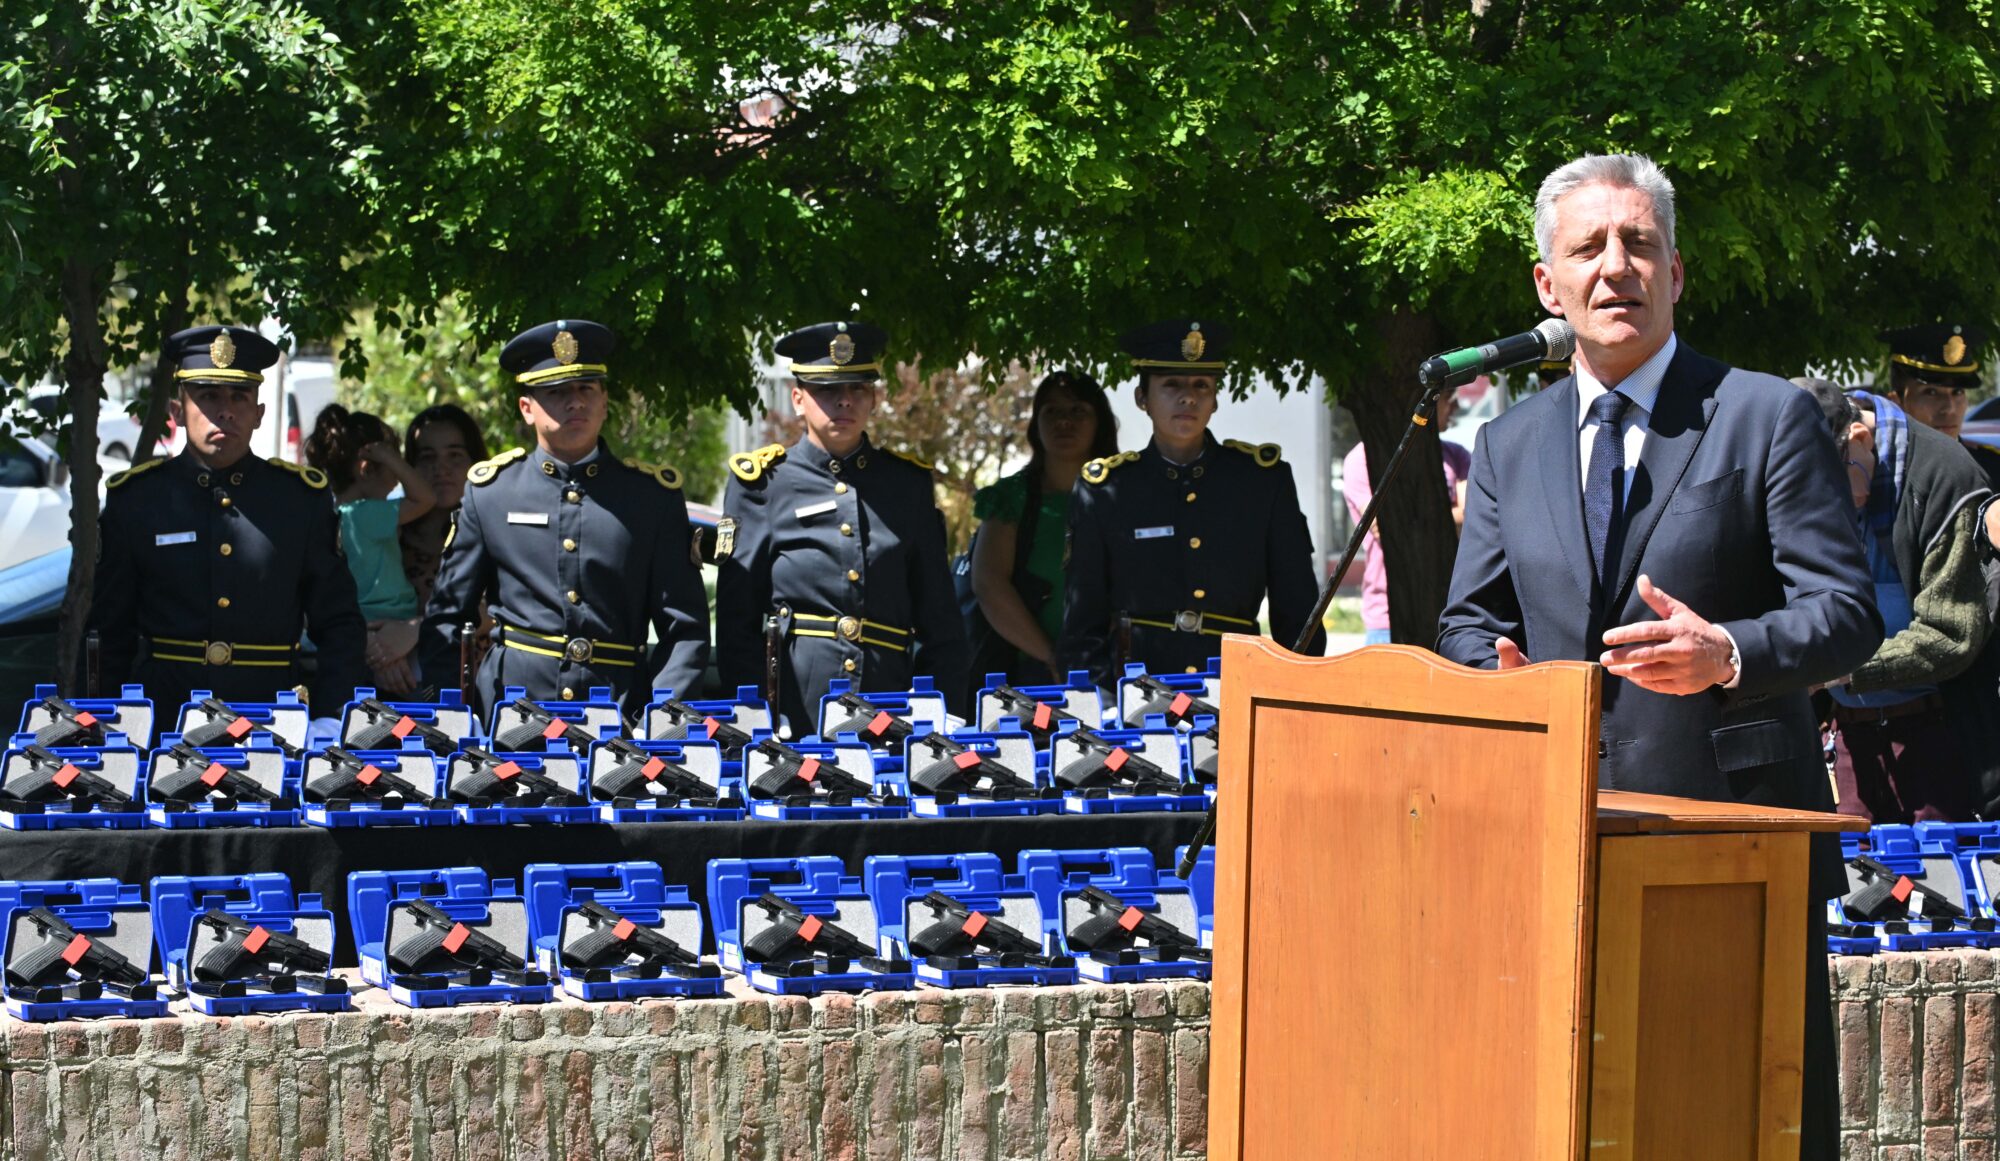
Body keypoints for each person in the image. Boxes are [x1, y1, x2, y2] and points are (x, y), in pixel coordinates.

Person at [1434, 154, 1880, 1161]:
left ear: (1675, 273)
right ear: (1546, 284)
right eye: (1587, 247)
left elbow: (1846, 614)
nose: (1615, 266)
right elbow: (1465, 620)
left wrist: (1728, 650)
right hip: (1560, 838)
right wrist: (1495, 676)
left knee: (1743, 1121)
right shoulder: (1509, 445)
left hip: (1736, 845)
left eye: (1639, 243)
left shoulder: (1762, 415)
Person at [417, 319, 708, 715]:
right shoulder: (491, 494)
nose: (575, 402)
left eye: (586, 389)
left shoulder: (652, 498)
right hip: (512, 716)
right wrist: (448, 715)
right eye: (556, 392)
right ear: (527, 409)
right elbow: (447, 619)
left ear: (604, 402)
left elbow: (685, 628)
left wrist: (661, 718)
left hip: (620, 717)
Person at [90, 325, 368, 719]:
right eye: (208, 396)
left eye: (240, 396)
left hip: (273, 720)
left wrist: (332, 717)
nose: (225, 411)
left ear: (258, 414)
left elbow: (338, 623)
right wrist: (103, 721)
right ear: (177, 412)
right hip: (165, 717)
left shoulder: (299, 501)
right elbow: (108, 634)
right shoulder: (138, 500)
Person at [714, 321, 968, 736]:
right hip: (795, 717)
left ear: (874, 398)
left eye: (857, 389)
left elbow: (941, 622)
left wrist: (940, 716)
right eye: (826, 390)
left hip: (892, 715)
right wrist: (755, 716)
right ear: (798, 399)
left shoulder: (907, 486)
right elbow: (736, 622)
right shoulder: (763, 484)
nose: (844, 401)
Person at [1059, 318, 1322, 687]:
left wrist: (1295, 692)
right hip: (1134, 688)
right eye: (1171, 385)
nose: (1188, 397)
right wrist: (1097, 699)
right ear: (1142, 399)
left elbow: (1297, 610)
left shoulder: (1262, 482)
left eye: (1202, 385)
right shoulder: (1105, 489)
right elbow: (1082, 618)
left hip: (1235, 684)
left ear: (1215, 400)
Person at [1791, 381, 1993, 823]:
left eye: (1831, 486)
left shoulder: (1943, 474)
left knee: (1934, 868)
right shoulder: (1809, 463)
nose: (1826, 507)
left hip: (1940, 738)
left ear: (1860, 439)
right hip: (1850, 739)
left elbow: (1951, 635)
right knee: (1852, 865)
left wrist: (1837, 670)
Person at [970, 370, 1118, 683]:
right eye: (1051, 411)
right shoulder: (1010, 497)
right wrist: (1053, 658)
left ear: (1100, 423)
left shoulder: (1127, 494)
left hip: (1115, 671)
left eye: (1078, 411)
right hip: (1029, 675)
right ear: (1036, 424)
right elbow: (988, 583)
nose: (1064, 421)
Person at [304, 404, 437, 695]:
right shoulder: (367, 514)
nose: (396, 482)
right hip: (392, 625)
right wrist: (390, 457)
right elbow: (425, 498)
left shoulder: (330, 515)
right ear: (366, 468)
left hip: (355, 630)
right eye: (392, 469)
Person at [1343, 388, 1471, 646]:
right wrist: (1447, 517)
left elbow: (1474, 518)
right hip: (1388, 614)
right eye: (1449, 398)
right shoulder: (1362, 458)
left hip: (1453, 607)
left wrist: (1415, 517)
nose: (1455, 407)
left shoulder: (1457, 455)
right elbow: (1383, 527)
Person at [1879, 323, 2000, 490]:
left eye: (1957, 392)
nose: (1949, 408)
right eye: (1931, 392)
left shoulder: (1992, 468)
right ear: (1896, 403)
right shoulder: (1880, 472)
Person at [400, 403, 489, 609]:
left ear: (475, 462)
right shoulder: (388, 534)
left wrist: (415, 627)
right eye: (427, 457)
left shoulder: (498, 532)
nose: (441, 469)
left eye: (455, 455)